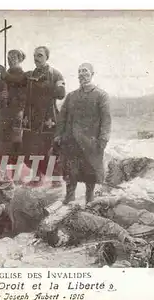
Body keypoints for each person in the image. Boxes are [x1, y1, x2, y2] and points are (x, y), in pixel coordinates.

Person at [54, 63, 111, 204]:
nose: (82, 74)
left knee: (90, 173)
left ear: (92, 73)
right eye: (79, 72)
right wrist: (58, 136)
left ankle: (89, 200)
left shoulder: (101, 95)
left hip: (91, 142)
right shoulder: (71, 96)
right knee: (70, 172)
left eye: (85, 71)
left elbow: (106, 120)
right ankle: (69, 198)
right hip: (71, 142)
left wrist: (103, 140)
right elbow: (62, 118)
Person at [22, 46, 66, 180]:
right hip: (31, 119)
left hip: (48, 119)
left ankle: (56, 182)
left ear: (47, 57)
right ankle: (37, 178)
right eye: (35, 55)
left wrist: (45, 85)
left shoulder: (55, 74)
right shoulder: (29, 75)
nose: (36, 58)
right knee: (30, 151)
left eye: (40, 55)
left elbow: (61, 93)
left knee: (50, 151)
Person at [0, 49, 27, 164]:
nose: (10, 60)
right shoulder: (1, 78)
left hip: (17, 117)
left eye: (14, 57)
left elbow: (28, 97)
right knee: (0, 147)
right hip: (3, 117)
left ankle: (15, 179)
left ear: (20, 59)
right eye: (9, 57)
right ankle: (0, 176)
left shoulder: (24, 77)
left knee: (16, 148)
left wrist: (11, 98)